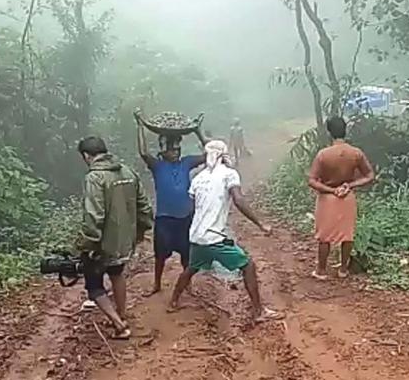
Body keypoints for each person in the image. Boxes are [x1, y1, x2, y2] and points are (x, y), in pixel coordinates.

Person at [168, 140, 283, 323]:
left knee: (192, 267)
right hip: (213, 238)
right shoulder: (229, 174)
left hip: (198, 236)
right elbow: (238, 199)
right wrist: (260, 223)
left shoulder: (198, 178)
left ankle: (173, 301)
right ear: (223, 155)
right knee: (248, 265)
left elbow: (192, 208)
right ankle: (259, 311)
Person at [76, 136, 154, 339]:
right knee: (117, 274)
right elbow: (144, 206)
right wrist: (140, 231)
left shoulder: (94, 178)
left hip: (103, 243)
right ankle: (121, 314)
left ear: (87, 156)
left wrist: (88, 244)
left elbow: (94, 215)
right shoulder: (127, 172)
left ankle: (120, 326)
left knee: (93, 286)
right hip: (123, 241)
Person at [135, 111, 207, 295]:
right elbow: (143, 152)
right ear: (162, 152)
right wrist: (140, 126)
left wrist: (198, 131)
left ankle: (187, 284)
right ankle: (157, 284)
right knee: (160, 255)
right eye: (171, 150)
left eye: (177, 149)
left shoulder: (186, 163)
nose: (175, 153)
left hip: (185, 217)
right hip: (165, 219)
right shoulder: (158, 166)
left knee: (186, 255)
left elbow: (209, 153)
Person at [308, 116, 375, 279]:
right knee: (347, 234)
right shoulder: (356, 153)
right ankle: (343, 269)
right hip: (347, 196)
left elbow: (312, 180)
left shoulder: (323, 155)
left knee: (324, 235)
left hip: (328, 198)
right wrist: (350, 185)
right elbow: (370, 175)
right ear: (345, 130)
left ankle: (321, 270)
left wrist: (330, 190)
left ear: (329, 132)